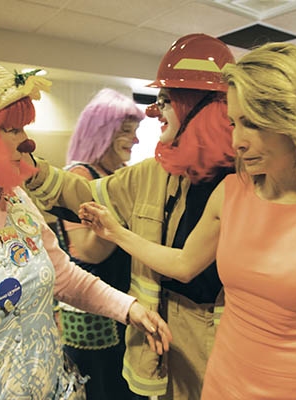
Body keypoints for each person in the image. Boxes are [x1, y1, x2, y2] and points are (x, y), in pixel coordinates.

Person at [78, 41, 296, 399]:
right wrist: (117, 233)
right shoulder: (232, 191)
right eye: (233, 122)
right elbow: (183, 263)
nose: (238, 141)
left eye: (253, 124)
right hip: (224, 379)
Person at [0, 56, 172, 400]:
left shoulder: (13, 198)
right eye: (13, 129)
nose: (26, 143)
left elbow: (63, 276)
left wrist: (128, 308)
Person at [25, 33, 236, 399]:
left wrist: (117, 233)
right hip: (154, 338)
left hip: (217, 347)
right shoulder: (152, 172)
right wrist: (32, 170)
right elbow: (85, 196)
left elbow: (189, 267)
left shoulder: (243, 180)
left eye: (166, 99)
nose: (156, 110)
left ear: (200, 106)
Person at [53, 88, 145, 400]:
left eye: (136, 131)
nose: (135, 140)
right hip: (92, 311)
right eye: (126, 131)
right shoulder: (80, 174)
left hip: (119, 303)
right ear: (102, 133)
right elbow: (89, 251)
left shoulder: (118, 174)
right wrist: (129, 205)